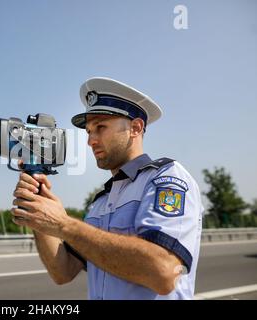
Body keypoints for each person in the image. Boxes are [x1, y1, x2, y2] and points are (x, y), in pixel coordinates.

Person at [11, 77, 203, 300]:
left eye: (100, 127)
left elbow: (162, 272)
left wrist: (63, 224)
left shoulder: (166, 178)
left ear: (135, 127)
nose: (91, 140)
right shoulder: (101, 201)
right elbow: (62, 271)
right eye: (89, 131)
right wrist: (39, 215)